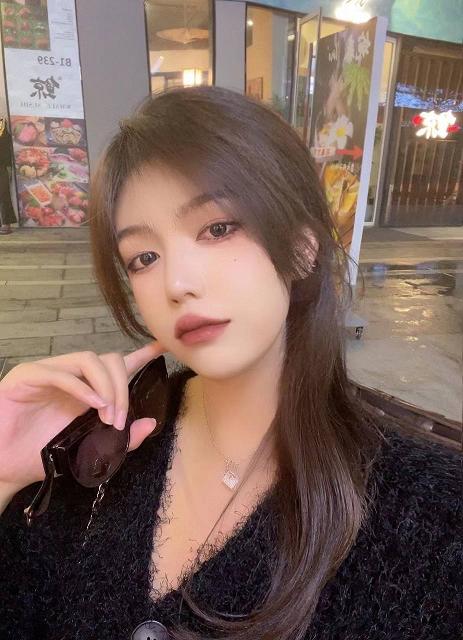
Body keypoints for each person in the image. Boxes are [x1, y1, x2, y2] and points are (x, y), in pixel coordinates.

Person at [0, 85, 461, 640]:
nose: (176, 283)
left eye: (217, 228)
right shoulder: (88, 451)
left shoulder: (436, 515)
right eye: (144, 257)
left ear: (302, 246)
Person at [0, 116, 17, 235]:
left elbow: (3, 141)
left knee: (3, 192)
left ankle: (6, 223)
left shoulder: (0, 122)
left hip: (1, 163)